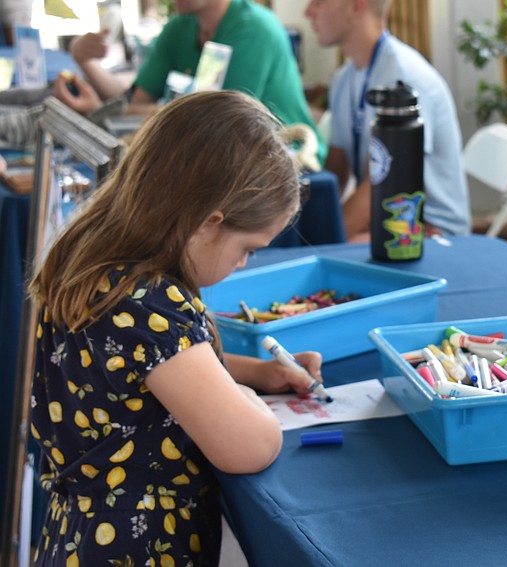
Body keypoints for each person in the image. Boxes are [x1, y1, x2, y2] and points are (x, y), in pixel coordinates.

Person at [28, 90, 324, 565]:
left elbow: (138, 376)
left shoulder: (94, 260)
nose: (244, 264)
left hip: (77, 534)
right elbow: (249, 447)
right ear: (209, 223)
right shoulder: (152, 309)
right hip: (136, 547)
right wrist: (247, 404)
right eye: (247, 248)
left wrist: (255, 374)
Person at [58, 0, 327, 164]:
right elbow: (138, 103)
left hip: (283, 166)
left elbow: (217, 120)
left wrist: (100, 110)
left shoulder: (254, 30)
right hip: (216, 160)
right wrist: (85, 60)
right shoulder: (180, 27)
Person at [305, 0, 471, 240]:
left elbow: (383, 181)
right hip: (382, 215)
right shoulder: (343, 79)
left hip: (430, 229)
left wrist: (315, 244)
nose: (308, 12)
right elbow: (336, 169)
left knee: (321, 253)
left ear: (355, 6)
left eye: (318, 2)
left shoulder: (403, 79)